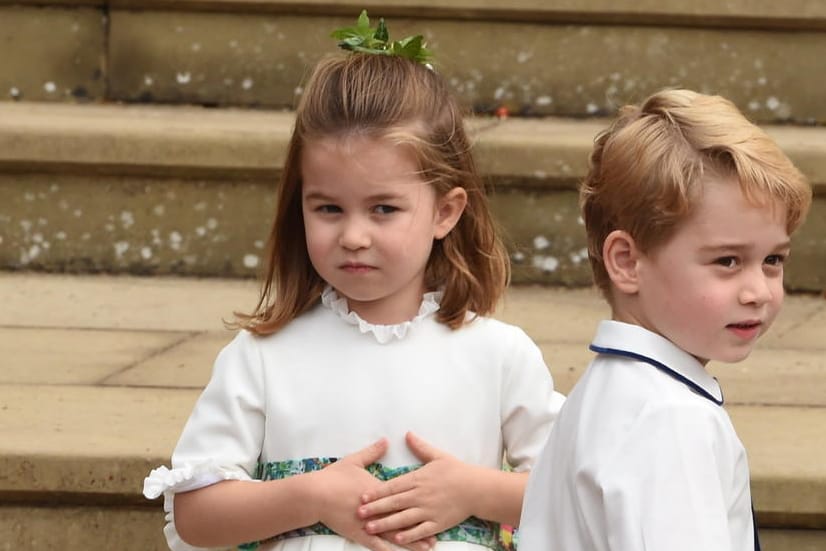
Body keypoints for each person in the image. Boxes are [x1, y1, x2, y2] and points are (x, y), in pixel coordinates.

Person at [143, 11, 564, 551]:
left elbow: (574, 491)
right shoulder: (263, 356)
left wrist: (474, 490)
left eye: (384, 208)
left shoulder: (499, 355)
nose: (354, 235)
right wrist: (311, 498)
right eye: (328, 208)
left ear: (446, 211)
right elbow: (196, 515)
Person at [518, 89, 811, 551]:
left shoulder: (615, 391)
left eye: (773, 259)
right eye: (728, 261)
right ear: (627, 262)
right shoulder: (670, 419)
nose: (759, 292)